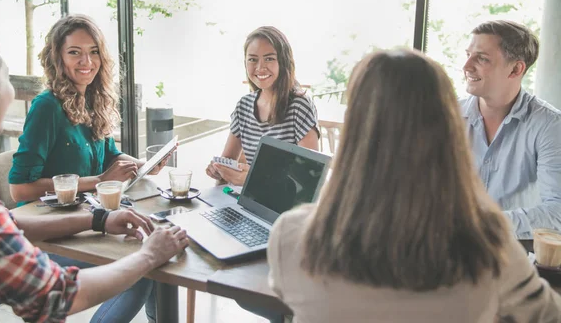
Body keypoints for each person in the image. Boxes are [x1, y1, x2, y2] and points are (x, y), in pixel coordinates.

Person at [267, 49, 561, 322]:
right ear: (449, 133)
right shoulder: (489, 244)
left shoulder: (291, 236)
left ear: (356, 129)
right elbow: (548, 314)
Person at [0, 16, 189, 322]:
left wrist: (102, 217)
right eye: (7, 80)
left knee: (149, 267)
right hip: (57, 230)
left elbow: (8, 222)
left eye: (93, 52)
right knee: (145, 269)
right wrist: (149, 254)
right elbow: (51, 297)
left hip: (86, 217)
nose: (14, 94)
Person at [9, 14, 171, 203]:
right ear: (57, 58)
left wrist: (143, 167)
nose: (87, 61)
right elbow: (20, 190)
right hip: (48, 218)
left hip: (88, 210)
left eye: (94, 51)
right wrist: (100, 180)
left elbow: (111, 155)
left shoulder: (94, 100)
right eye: (74, 52)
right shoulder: (47, 107)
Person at [460, 20, 561, 239]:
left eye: (481, 58)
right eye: (468, 54)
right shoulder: (447, 115)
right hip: (449, 249)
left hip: (516, 253)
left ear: (516, 69)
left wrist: (483, 225)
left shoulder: (550, 126)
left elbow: (558, 211)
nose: (467, 66)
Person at [206, 26, 320, 186]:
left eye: (269, 58)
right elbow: (227, 165)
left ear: (284, 61)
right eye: (252, 59)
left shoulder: (300, 106)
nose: (260, 67)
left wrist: (252, 179)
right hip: (250, 200)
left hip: (285, 207)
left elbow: (309, 180)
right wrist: (218, 170)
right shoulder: (243, 106)